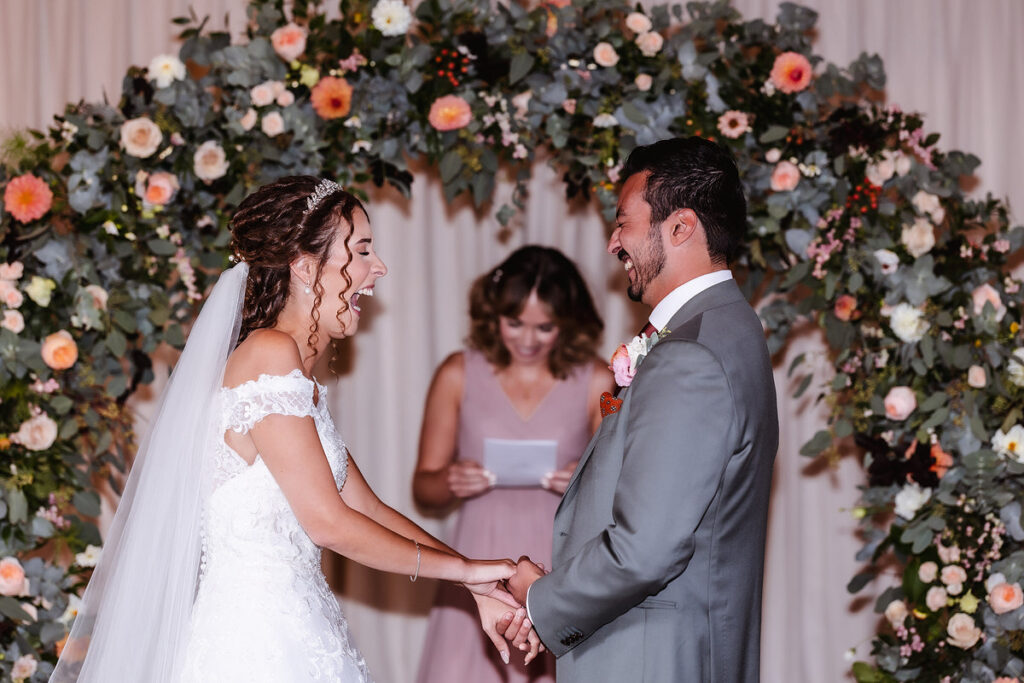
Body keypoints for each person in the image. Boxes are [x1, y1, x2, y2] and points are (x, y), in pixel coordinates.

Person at [51, 176, 537, 683]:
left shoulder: (296, 380)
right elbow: (327, 523)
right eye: (363, 250)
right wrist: (463, 572)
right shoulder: (268, 355)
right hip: (254, 647)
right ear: (305, 267)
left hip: (301, 630)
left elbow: (365, 509)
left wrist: (473, 579)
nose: (379, 269)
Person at [503, 137, 780, 682]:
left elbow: (647, 548)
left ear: (680, 227)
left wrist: (542, 602)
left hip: (653, 660)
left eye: (623, 221)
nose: (613, 243)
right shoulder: (730, 329)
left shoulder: (693, 355)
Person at [413, 246, 614, 683]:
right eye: (514, 323)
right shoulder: (458, 372)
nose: (527, 340)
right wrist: (450, 480)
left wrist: (585, 478)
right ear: (493, 314)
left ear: (569, 322)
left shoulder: (598, 379)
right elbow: (423, 489)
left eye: (545, 327)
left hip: (557, 559)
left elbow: (622, 491)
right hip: (478, 554)